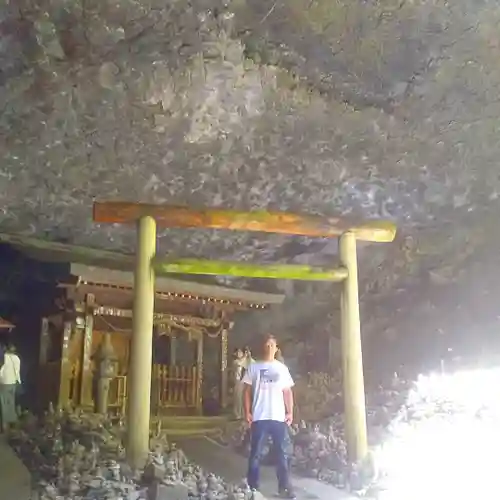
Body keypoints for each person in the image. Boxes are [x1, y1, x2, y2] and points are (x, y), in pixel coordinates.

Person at [242, 334, 296, 499]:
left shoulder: (282, 369)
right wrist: (247, 412)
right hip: (259, 416)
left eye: (272, 345)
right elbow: (246, 392)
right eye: (267, 345)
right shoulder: (254, 367)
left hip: (278, 417)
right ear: (263, 347)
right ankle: (252, 487)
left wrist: (290, 411)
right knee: (256, 453)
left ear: (276, 348)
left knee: (282, 453)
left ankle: (284, 488)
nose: (269, 348)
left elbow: (287, 392)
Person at [0, 343, 21, 432]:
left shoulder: (4, 357)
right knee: (11, 403)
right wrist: (18, 381)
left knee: (4, 404)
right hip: (13, 383)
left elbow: (1, 370)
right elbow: (17, 371)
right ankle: (13, 422)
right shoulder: (17, 358)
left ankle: (5, 426)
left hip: (5, 383)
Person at [232, 348, 247, 419]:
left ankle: (243, 414)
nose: (239, 354)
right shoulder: (235, 362)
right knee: (237, 398)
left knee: (243, 398)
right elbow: (240, 364)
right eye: (237, 352)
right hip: (238, 381)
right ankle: (237, 414)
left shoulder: (245, 361)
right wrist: (245, 356)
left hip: (244, 382)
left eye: (240, 352)